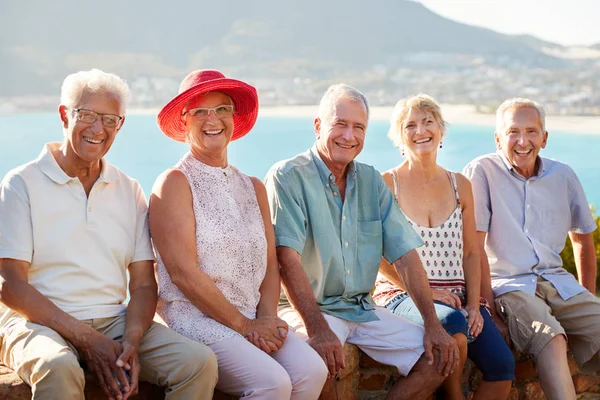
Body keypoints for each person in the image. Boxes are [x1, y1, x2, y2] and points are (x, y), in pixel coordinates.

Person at [0, 69, 218, 400]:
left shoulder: (128, 190)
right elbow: (10, 285)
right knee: (58, 366)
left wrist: (131, 339)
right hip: (37, 322)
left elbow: (144, 284)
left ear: (120, 125)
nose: (98, 129)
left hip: (113, 322)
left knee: (198, 363)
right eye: (86, 115)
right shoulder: (21, 184)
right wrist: (87, 339)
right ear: (64, 115)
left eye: (109, 119)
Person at [264, 84, 460, 400]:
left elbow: (405, 256)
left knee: (441, 355)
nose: (349, 135)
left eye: (358, 127)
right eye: (340, 124)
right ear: (318, 126)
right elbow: (286, 260)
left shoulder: (371, 181)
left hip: (361, 308)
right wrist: (317, 329)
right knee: (315, 362)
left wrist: (432, 323)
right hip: (308, 308)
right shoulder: (287, 176)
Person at [150, 69, 328, 399]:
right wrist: (244, 326)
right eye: (200, 111)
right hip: (195, 319)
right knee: (272, 383)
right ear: (185, 121)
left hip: (252, 317)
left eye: (221, 109)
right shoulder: (174, 184)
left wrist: (266, 319)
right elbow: (183, 274)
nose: (212, 119)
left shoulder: (254, 187)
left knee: (313, 370)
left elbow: (270, 266)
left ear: (233, 117)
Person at [372, 94, 514, 400]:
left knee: (503, 367)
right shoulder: (386, 185)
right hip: (401, 294)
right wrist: (425, 291)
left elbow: (472, 252)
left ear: (441, 129)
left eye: (428, 122)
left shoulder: (460, 184)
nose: (420, 130)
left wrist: (475, 305)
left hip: (460, 298)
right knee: (451, 322)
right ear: (399, 136)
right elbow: (376, 257)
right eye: (410, 125)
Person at [463, 98, 599, 400]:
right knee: (552, 339)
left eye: (531, 131)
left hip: (559, 283)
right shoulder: (481, 171)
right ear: (498, 139)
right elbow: (475, 248)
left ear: (545, 138)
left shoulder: (563, 175)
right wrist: (489, 313)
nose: (522, 141)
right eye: (513, 132)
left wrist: (586, 295)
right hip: (509, 286)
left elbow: (583, 239)